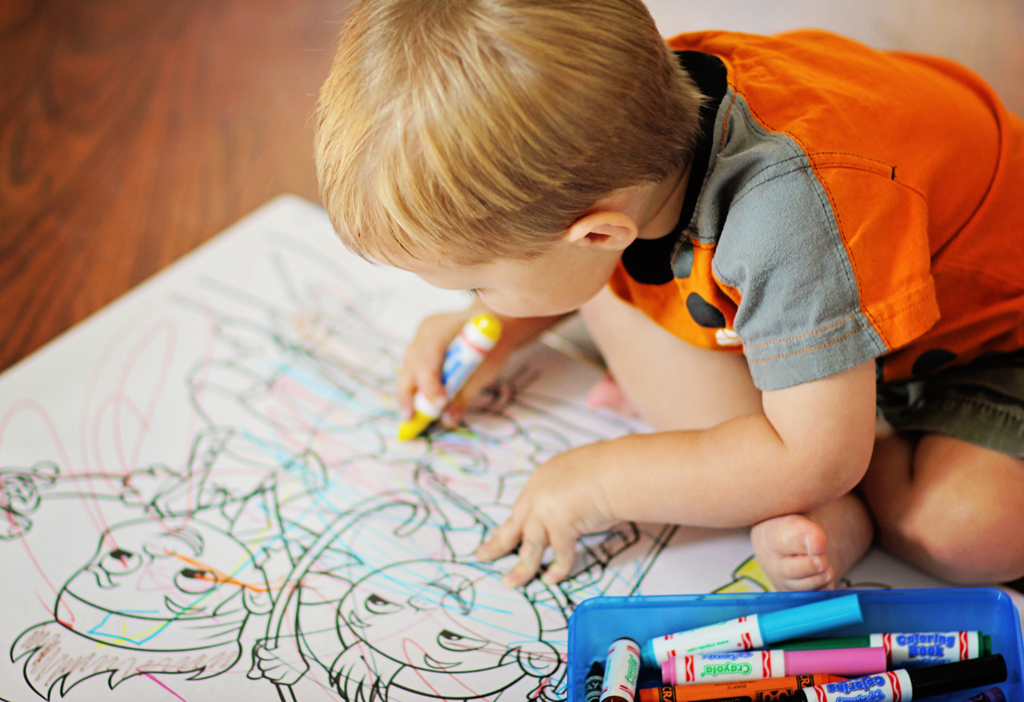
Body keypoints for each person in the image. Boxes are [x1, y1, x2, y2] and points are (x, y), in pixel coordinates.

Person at [313, 0, 1024, 592]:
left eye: (477, 282)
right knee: (772, 440)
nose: (479, 301)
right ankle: (811, 442)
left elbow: (820, 458)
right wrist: (497, 323)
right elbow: (577, 260)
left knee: (969, 531)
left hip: (987, 345)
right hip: (829, 312)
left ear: (598, 235)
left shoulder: (788, 215)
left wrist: (598, 481)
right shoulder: (621, 127)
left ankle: (842, 472)